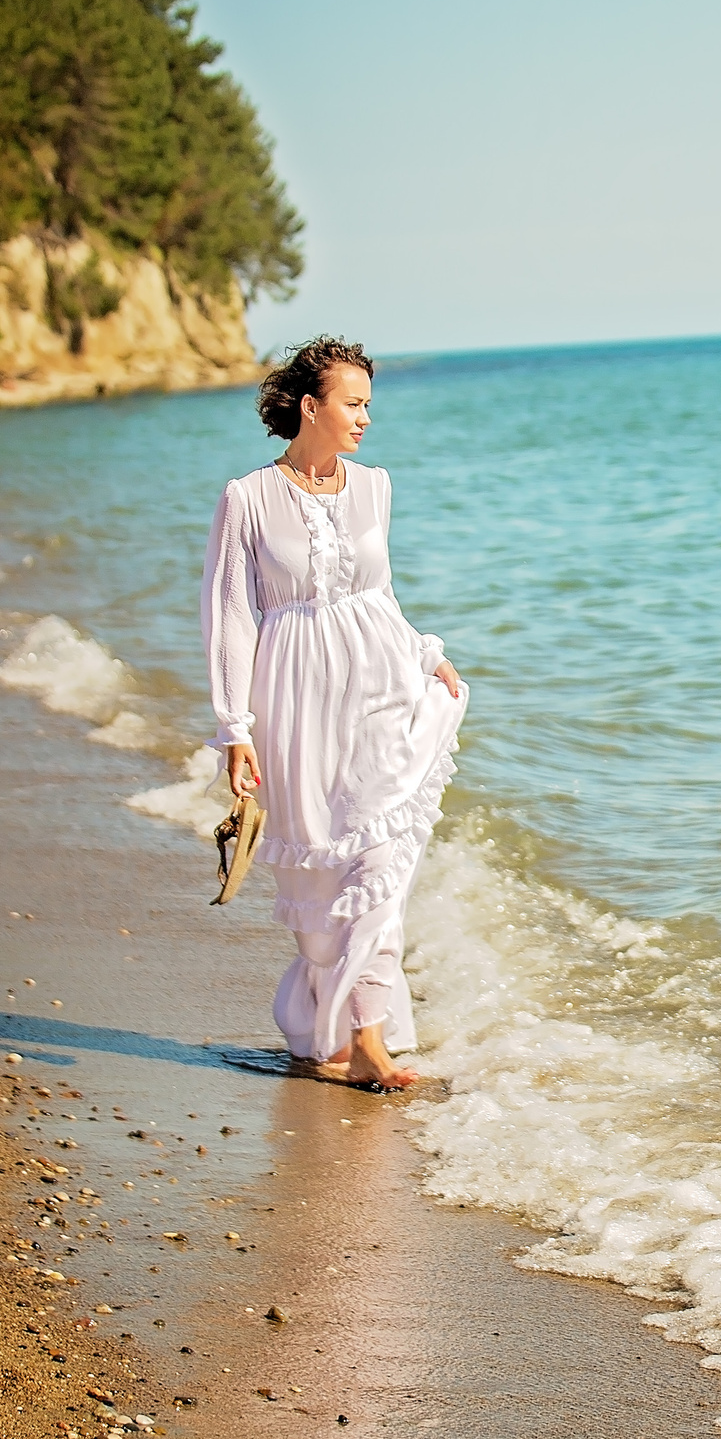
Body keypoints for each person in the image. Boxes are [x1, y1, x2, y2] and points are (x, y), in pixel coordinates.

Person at [203, 335, 467, 1090]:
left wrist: (424, 652)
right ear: (310, 406)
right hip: (295, 700)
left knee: (379, 861)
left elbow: (380, 595)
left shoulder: (375, 486)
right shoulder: (247, 498)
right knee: (321, 886)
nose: (364, 418)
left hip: (380, 688)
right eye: (353, 404)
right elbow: (229, 616)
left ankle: (372, 1040)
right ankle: (321, 1029)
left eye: (369, 406)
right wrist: (235, 728)